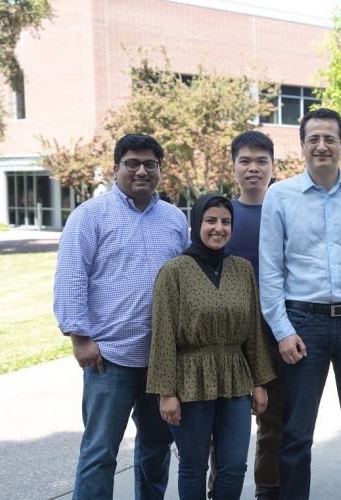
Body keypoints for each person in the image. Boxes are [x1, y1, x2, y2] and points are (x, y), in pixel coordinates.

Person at [259, 108, 341, 500]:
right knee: (297, 433)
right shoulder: (280, 196)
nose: (321, 146)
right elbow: (270, 271)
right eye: (313, 139)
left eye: (329, 139)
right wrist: (282, 330)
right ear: (302, 146)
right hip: (303, 324)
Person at [53, 133, 190, 499]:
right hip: (108, 358)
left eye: (150, 164)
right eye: (132, 163)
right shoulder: (90, 216)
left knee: (156, 450)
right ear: (117, 168)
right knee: (100, 452)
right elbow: (71, 275)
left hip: (161, 360)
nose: (141, 170)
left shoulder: (174, 219)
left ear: (160, 170)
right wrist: (79, 337)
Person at [147, 192, 276, 499]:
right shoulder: (174, 271)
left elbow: (254, 331)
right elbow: (163, 334)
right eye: (211, 220)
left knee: (234, 465)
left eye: (226, 222)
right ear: (197, 223)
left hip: (235, 377)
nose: (218, 228)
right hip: (190, 377)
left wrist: (259, 382)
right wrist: (167, 394)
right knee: (193, 465)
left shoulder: (242, 269)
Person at [224, 130, 282, 500]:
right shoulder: (221, 216)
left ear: (273, 167)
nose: (253, 168)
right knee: (224, 423)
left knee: (273, 420)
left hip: (276, 329)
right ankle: (221, 489)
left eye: (261, 161)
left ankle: (268, 490)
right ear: (233, 168)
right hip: (228, 335)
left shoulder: (286, 209)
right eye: (245, 161)